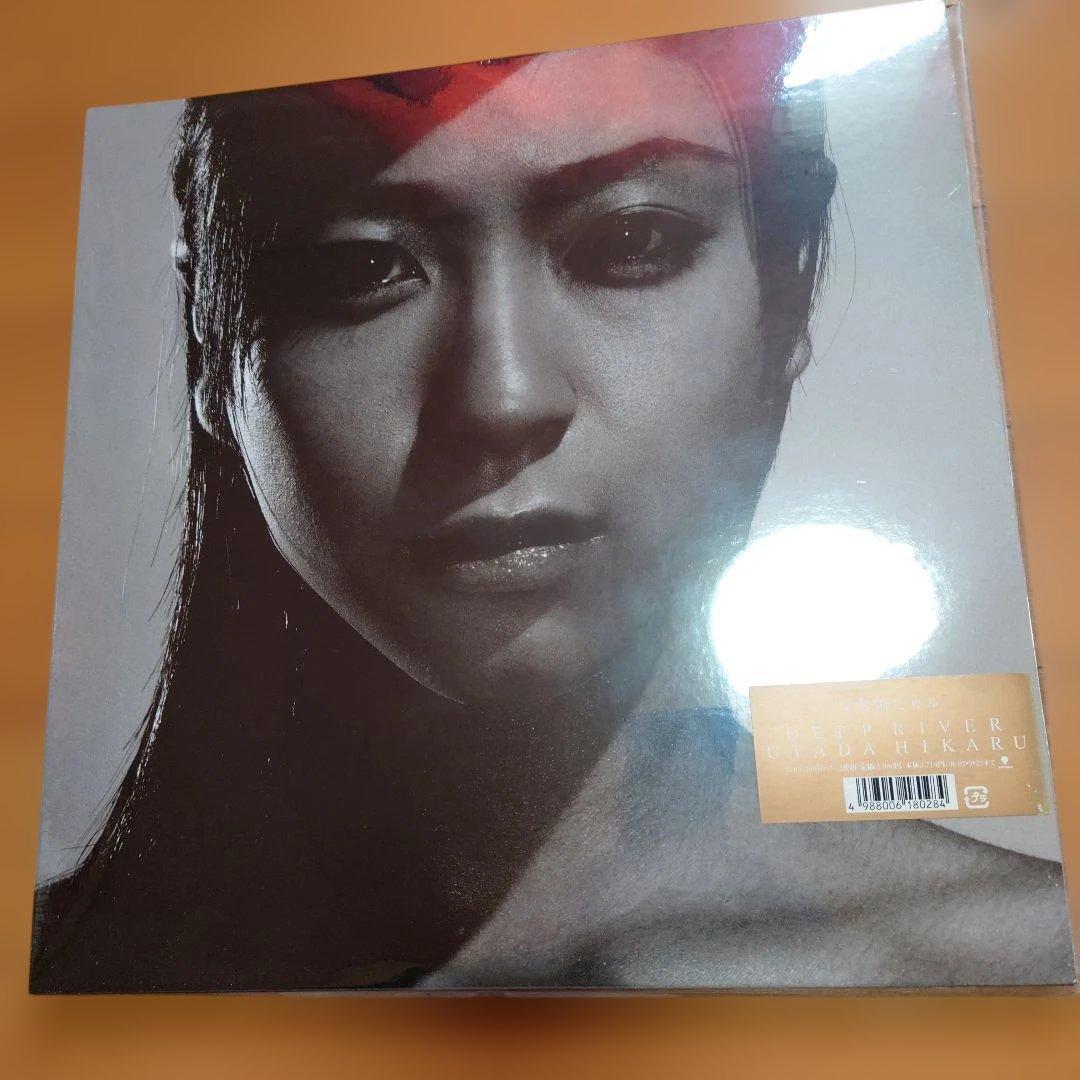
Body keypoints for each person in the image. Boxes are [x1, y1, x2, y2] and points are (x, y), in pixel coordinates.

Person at [31, 22, 1073, 992]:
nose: (503, 397)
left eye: (632, 242)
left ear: (786, 291)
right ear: (211, 339)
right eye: (359, 267)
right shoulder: (50, 981)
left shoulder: (1021, 973)